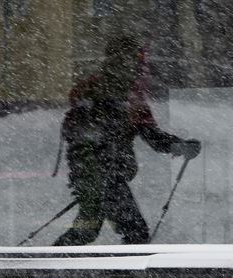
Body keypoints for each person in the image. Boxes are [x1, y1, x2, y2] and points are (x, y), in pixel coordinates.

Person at [53, 34, 202, 246]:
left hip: (97, 175)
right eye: (132, 58)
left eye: (134, 59)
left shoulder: (117, 93)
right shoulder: (111, 93)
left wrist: (178, 145)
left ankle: (29, 273)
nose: (133, 65)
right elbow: (147, 133)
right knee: (134, 233)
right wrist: (176, 145)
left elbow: (149, 133)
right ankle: (29, 273)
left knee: (89, 231)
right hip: (102, 176)